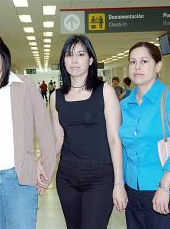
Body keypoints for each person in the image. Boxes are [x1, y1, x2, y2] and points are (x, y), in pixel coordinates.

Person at [0, 31, 56, 229]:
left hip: (19, 179)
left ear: (3, 56)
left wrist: (46, 173)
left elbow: (45, 132)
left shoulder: (24, 86)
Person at [50, 34, 127, 229]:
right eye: (69, 55)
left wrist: (119, 184)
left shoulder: (105, 92)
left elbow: (114, 140)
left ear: (90, 59)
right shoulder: (55, 96)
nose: (74, 60)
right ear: (63, 61)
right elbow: (57, 142)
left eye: (80, 54)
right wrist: (41, 164)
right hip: (67, 176)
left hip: (100, 177)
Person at [119, 42, 170, 229]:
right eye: (132, 62)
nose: (137, 67)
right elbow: (121, 149)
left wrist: (164, 187)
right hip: (133, 194)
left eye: (144, 61)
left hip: (166, 191)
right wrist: (119, 185)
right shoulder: (124, 105)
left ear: (158, 66)